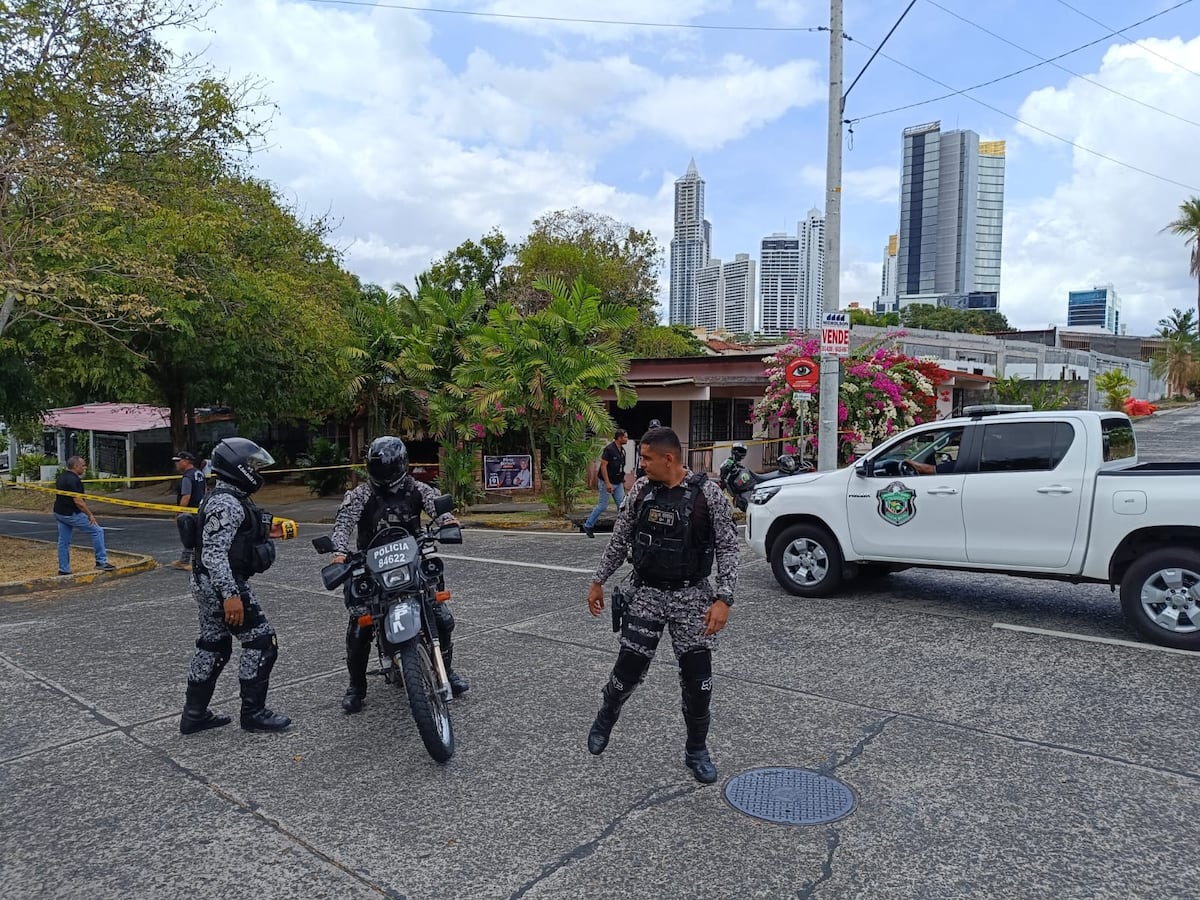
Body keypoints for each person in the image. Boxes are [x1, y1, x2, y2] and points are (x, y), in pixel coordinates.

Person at [584, 426, 740, 784]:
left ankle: (696, 750)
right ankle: (607, 713)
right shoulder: (641, 491)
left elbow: (729, 548)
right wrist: (598, 581)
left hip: (691, 598)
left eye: (647, 459)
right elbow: (620, 539)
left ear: (668, 458)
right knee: (627, 674)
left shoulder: (708, 495)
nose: (641, 466)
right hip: (648, 594)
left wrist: (724, 597)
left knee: (699, 684)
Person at [330, 435, 468, 713]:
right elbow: (343, 525)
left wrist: (448, 522)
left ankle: (446, 671)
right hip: (370, 565)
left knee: (442, 616)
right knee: (360, 626)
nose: (382, 474)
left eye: (387, 468)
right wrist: (339, 551)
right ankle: (356, 686)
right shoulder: (360, 495)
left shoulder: (419, 489)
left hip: (412, 559)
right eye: (376, 468)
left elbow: (437, 510)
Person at [179, 437, 291, 735]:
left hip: (206, 582)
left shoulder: (225, 497)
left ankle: (194, 715)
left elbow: (231, 541)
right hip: (221, 583)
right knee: (261, 642)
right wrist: (231, 595)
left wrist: (269, 534)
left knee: (213, 644)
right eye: (252, 465)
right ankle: (253, 714)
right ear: (238, 467)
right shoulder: (227, 503)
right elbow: (214, 553)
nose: (257, 470)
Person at [53, 456, 115, 576]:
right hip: (71, 513)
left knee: (63, 542)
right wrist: (90, 515)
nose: (85, 468)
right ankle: (101, 562)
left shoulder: (61, 477)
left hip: (60, 513)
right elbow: (79, 502)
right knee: (97, 531)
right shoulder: (74, 480)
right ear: (76, 466)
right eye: (83, 465)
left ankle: (63, 569)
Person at [581, 429, 629, 538]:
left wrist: (622, 480)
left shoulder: (622, 450)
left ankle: (623, 529)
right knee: (602, 505)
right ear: (619, 438)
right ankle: (588, 525)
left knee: (622, 506)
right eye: (625, 437)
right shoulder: (609, 449)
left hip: (618, 482)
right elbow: (603, 466)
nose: (627, 439)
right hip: (606, 481)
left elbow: (620, 466)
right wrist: (607, 483)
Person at [171, 451, 207, 571]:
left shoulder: (188, 477)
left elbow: (186, 496)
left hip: (189, 512)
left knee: (188, 537)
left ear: (186, 462)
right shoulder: (199, 473)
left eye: (178, 461)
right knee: (196, 535)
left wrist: (180, 512)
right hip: (200, 510)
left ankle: (192, 562)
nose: (176, 464)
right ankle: (185, 560)